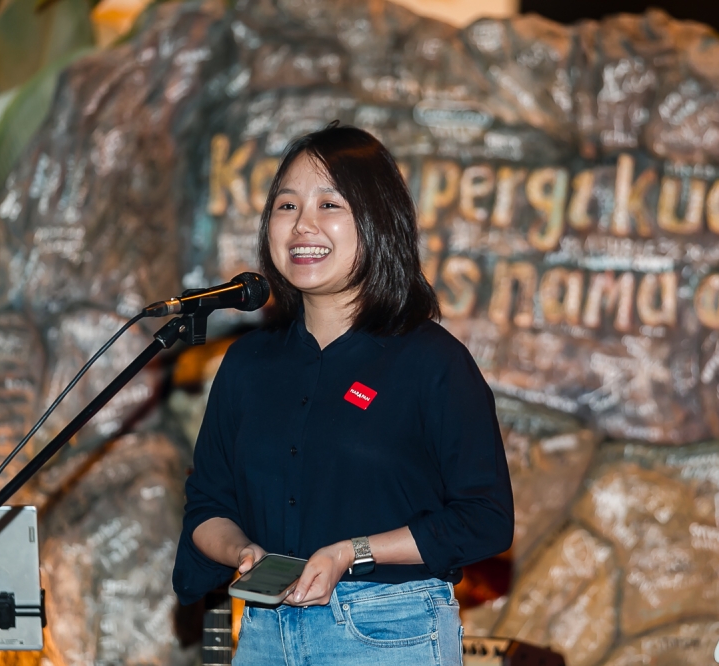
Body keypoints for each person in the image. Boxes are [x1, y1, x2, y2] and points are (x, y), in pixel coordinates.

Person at [172, 123, 514, 665]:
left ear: (378, 222)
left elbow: (484, 517)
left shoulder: (431, 360)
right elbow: (209, 508)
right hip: (264, 631)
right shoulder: (246, 364)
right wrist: (242, 553)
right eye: (286, 207)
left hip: (389, 630)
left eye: (329, 204)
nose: (302, 225)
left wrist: (349, 553)